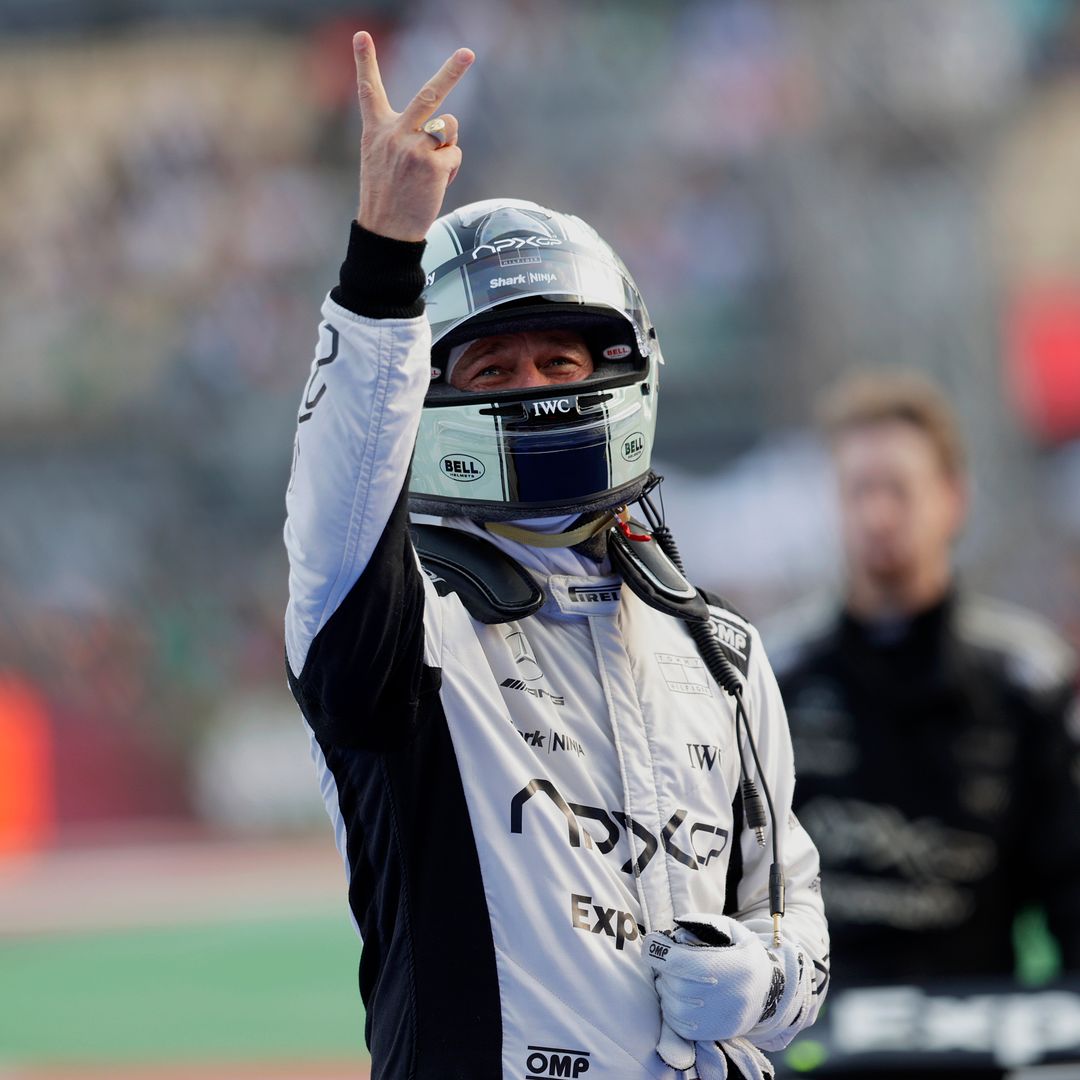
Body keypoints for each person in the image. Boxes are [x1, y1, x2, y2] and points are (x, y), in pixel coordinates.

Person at [283, 31, 829, 1080]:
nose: (534, 385)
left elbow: (795, 924)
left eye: (561, 358)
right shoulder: (401, 627)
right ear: (429, 396)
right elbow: (337, 503)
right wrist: (383, 255)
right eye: (492, 366)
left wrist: (763, 981)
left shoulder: (719, 648)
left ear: (623, 367)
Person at [771, 370, 1080, 1071]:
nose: (879, 514)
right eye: (859, 491)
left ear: (952, 500)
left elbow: (1072, 890)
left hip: (982, 1036)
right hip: (818, 1045)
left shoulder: (1025, 680)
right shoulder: (771, 678)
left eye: (899, 489)